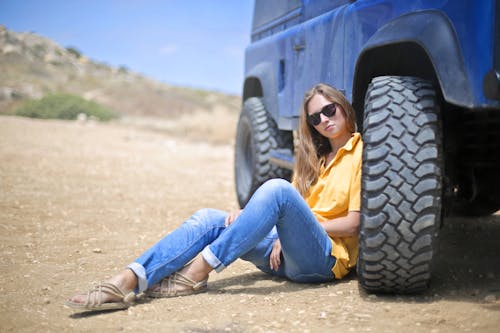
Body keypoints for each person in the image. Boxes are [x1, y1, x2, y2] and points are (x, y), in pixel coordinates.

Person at [66, 83, 363, 311]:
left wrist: (286, 235)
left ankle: (197, 272)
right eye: (315, 117)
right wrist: (266, 228)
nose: (324, 119)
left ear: (343, 107)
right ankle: (127, 281)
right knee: (210, 218)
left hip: (324, 260)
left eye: (329, 110)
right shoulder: (311, 161)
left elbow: (353, 224)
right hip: (285, 257)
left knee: (277, 188)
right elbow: (289, 213)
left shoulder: (361, 152)